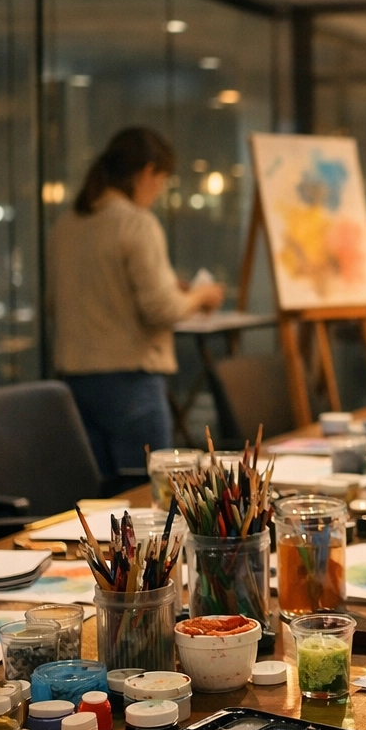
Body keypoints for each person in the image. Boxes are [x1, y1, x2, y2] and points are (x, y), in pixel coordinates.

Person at [47, 127, 225, 477]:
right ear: (147, 173)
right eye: (161, 181)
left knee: (103, 506)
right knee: (146, 498)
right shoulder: (136, 223)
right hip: (130, 382)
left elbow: (59, 302)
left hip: (74, 382)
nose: (158, 193)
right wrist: (201, 295)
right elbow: (161, 308)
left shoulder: (66, 225)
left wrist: (173, 289)